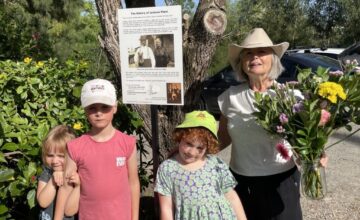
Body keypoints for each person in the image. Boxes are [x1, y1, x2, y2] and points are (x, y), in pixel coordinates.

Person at [218, 28, 329, 220]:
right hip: (240, 183)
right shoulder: (230, 97)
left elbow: (301, 142)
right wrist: (189, 153)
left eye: (262, 52)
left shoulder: (290, 97)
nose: (255, 57)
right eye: (248, 53)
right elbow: (222, 138)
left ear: (273, 59)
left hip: (281, 182)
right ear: (241, 62)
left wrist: (314, 157)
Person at [57, 79, 140, 220]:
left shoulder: (128, 143)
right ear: (85, 110)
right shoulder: (75, 147)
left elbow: (133, 183)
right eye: (92, 108)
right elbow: (66, 188)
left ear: (115, 107)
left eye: (105, 107)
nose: (98, 113)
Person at [155, 110, 247, 220]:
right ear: (180, 137)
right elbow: (166, 208)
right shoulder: (167, 168)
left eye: (200, 148)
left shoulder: (215, 164)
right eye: (189, 143)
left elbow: (231, 197)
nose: (192, 152)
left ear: (208, 147)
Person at [37, 125, 77, 220]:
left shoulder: (76, 175)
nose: (55, 161)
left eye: (61, 156)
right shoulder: (47, 172)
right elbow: (42, 202)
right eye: (50, 155)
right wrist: (53, 181)